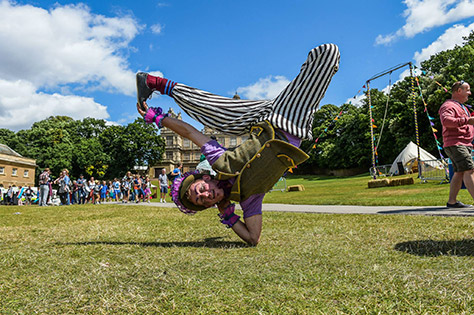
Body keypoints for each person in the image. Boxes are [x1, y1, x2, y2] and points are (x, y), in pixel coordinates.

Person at [136, 43, 339, 245]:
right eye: (203, 201)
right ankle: (317, 73)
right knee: (328, 53)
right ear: (212, 205)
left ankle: (154, 83)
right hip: (290, 120)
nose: (206, 195)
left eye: (200, 190)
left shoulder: (220, 161)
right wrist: (229, 216)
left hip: (259, 119)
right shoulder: (248, 197)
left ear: (206, 177)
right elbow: (253, 238)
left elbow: (190, 132)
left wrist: (157, 118)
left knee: (217, 111)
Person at [439, 80, 474, 208]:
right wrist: (468, 120)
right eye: (467, 90)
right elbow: (446, 121)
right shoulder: (448, 106)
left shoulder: (461, 107)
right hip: (456, 143)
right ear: (459, 91)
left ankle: (452, 202)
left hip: (462, 143)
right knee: (469, 170)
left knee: (459, 172)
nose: (469, 93)